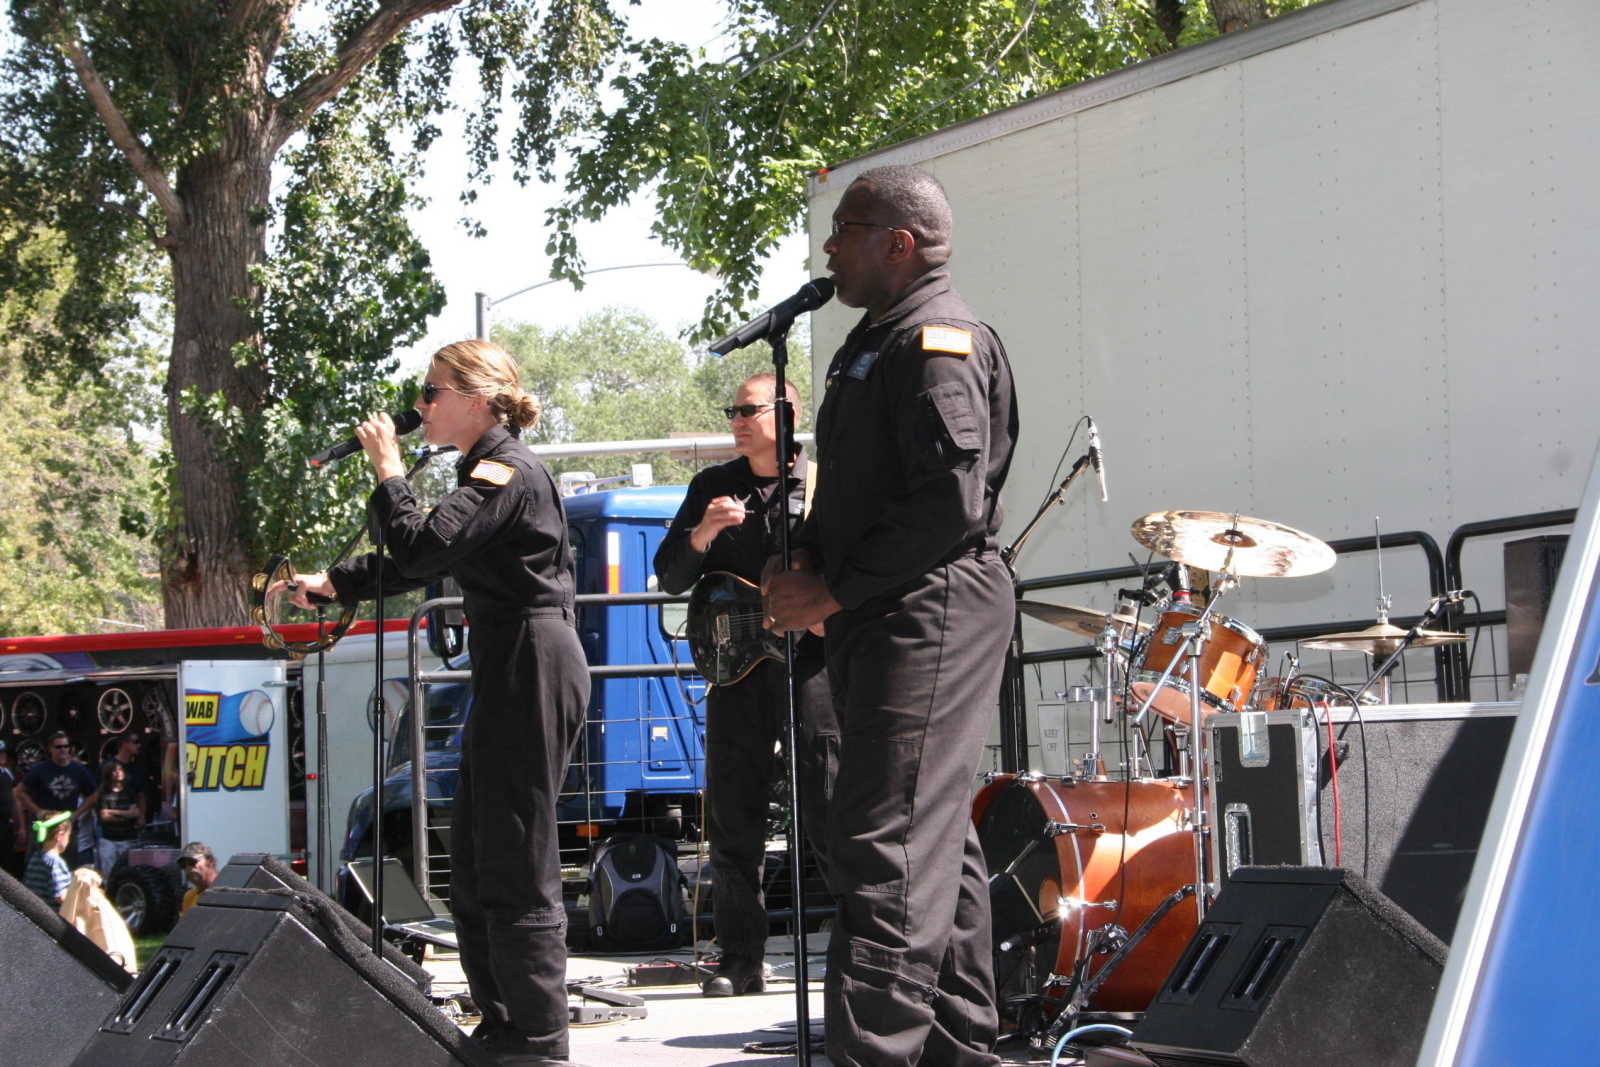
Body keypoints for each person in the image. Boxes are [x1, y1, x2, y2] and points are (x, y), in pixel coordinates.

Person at [274, 339, 589, 1067]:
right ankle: (504, 1022)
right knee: (476, 855)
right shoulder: (481, 471)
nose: (419, 406)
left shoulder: (505, 468)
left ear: (476, 399)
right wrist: (338, 583)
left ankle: (538, 1035)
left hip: (533, 658)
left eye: (431, 391)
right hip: (508, 660)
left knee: (516, 853)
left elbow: (423, 547)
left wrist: (388, 469)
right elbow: (427, 554)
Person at [765, 165, 1019, 1067]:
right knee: (931, 839)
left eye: (845, 228)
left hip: (930, 602)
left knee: (888, 842)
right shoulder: (875, 340)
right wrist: (806, 554)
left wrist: (832, 591)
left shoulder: (939, 340)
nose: (828, 246)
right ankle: (955, 1047)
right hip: (886, 604)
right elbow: (859, 491)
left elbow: (947, 503)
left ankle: (876, 1050)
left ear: (898, 243)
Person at [653, 373, 837, 998]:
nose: (735, 420)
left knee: (829, 800)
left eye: (747, 410)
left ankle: (856, 949)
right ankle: (739, 960)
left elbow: (853, 568)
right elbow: (670, 577)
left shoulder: (825, 482)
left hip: (812, 665)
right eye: (730, 410)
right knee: (734, 814)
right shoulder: (712, 486)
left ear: (786, 415)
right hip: (738, 670)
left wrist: (826, 608)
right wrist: (701, 534)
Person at [16, 732, 99, 867]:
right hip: (44, 827)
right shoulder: (40, 769)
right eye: (59, 747)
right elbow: (19, 791)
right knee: (37, 866)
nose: (63, 750)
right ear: (50, 748)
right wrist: (37, 811)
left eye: (66, 746)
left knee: (69, 867)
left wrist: (76, 814)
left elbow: (94, 795)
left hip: (67, 828)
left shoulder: (79, 770)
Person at [95, 759, 145, 875]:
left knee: (128, 872)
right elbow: (104, 817)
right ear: (108, 774)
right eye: (114, 771)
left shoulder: (129, 791)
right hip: (109, 839)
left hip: (127, 839)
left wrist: (112, 811)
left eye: (120, 769)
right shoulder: (103, 793)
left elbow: (135, 813)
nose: (118, 773)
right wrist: (126, 814)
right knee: (109, 872)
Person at [24, 811, 74, 908]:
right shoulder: (55, 862)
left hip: (34, 910)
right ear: (59, 835)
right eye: (68, 835)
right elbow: (61, 897)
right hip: (50, 914)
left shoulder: (35, 856)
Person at [0, 741, 23, 878]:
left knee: (7, 861)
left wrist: (20, 826)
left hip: (7, 824)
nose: (3, 756)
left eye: (3, 752)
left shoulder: (7, 773)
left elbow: (15, 800)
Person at [177, 841, 219, 913]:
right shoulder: (189, 897)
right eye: (183, 865)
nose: (188, 868)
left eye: (192, 862)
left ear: (210, 861)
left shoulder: (226, 892)